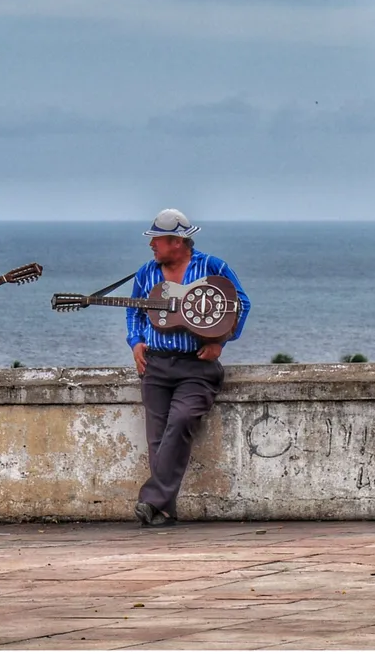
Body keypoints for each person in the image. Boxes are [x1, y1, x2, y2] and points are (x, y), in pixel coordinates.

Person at [126, 209, 250, 528]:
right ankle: (162, 510)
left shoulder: (212, 266)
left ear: (177, 242)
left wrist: (222, 340)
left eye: (157, 240)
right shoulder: (146, 273)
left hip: (196, 367)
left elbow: (241, 304)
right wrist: (136, 342)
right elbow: (135, 311)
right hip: (156, 365)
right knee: (157, 439)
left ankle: (151, 500)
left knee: (180, 422)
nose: (152, 245)